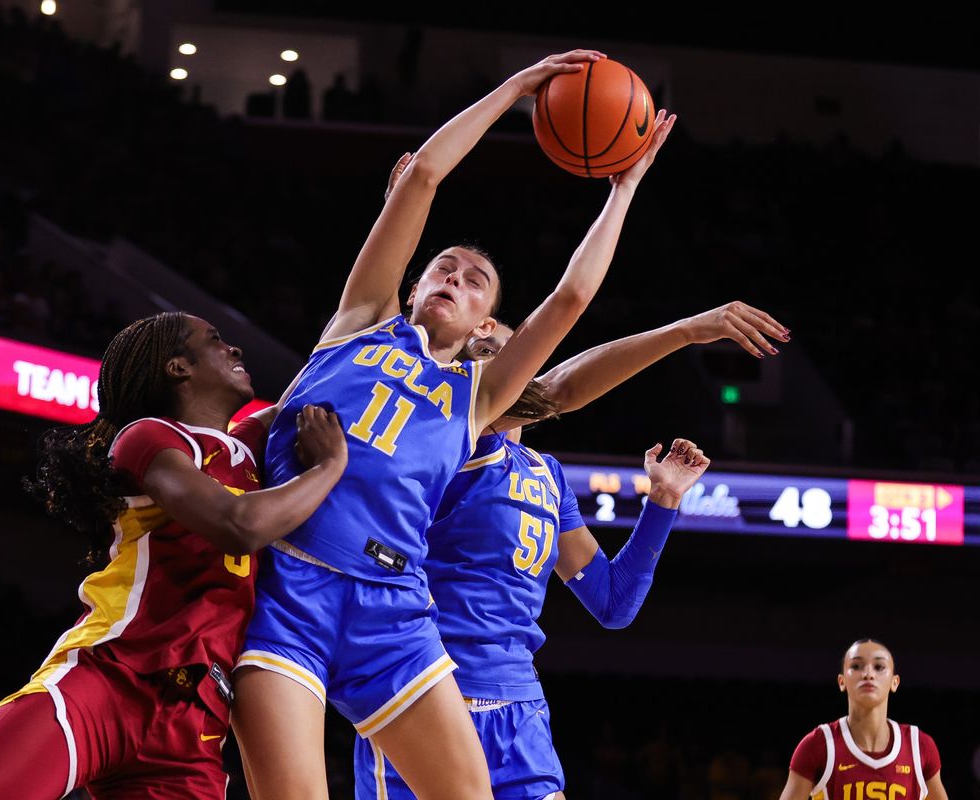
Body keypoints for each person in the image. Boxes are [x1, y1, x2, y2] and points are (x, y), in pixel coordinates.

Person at [232, 48, 677, 800]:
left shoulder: (478, 396)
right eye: (443, 266)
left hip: (392, 609)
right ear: (412, 286)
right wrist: (511, 90)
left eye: (475, 281)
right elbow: (425, 177)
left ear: (485, 320)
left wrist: (622, 190)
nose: (454, 278)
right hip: (292, 589)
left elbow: (569, 300)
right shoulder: (359, 323)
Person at [356, 291, 788, 798]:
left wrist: (663, 502)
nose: (515, 367)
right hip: (426, 693)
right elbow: (561, 387)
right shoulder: (442, 441)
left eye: (518, 355)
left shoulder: (546, 474)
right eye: (494, 354)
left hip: (518, 710)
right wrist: (685, 331)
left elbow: (613, 602)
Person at [0, 312, 348, 800]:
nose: (235, 350)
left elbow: (334, 353)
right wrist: (329, 466)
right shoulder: (148, 437)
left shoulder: (249, 448)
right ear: (178, 367)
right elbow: (238, 526)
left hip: (194, 721)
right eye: (216, 340)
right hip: (112, 675)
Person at [776, 639, 947, 800]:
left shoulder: (919, 746)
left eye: (879, 667)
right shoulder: (818, 745)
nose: (868, 674)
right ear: (842, 681)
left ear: (894, 682)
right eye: (856, 666)